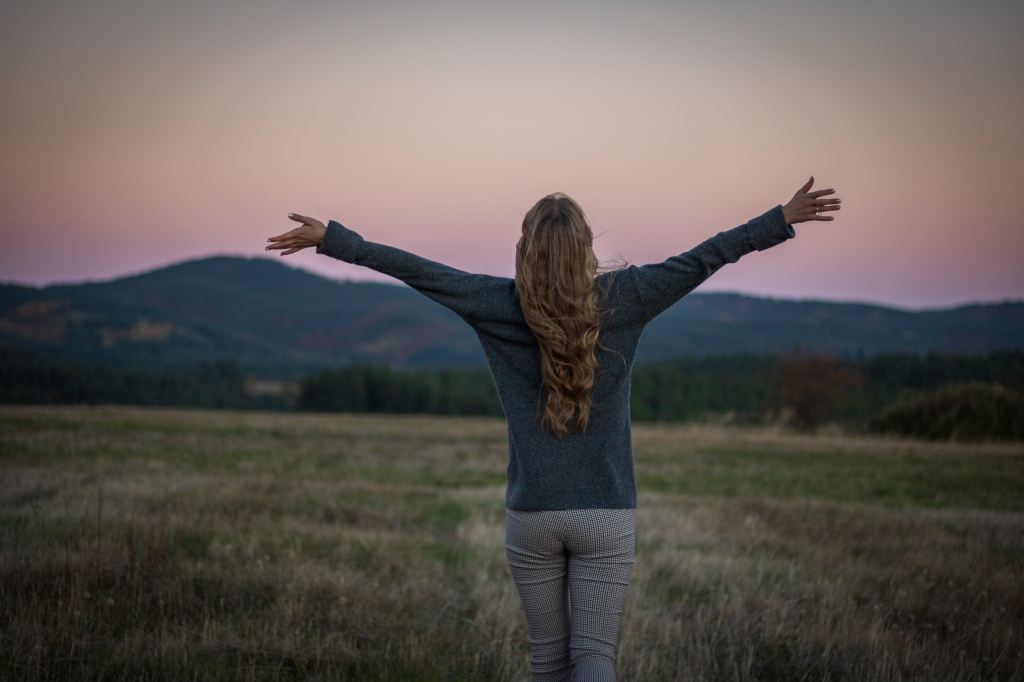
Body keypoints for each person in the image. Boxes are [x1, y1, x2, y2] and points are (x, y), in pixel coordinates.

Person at [265, 176, 841, 681]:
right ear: (587, 249)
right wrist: (779, 220)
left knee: (548, 662)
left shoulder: (495, 301)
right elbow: (705, 257)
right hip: (606, 512)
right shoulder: (629, 296)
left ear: (525, 250)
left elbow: (418, 271)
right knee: (593, 657)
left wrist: (334, 240)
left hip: (532, 512)